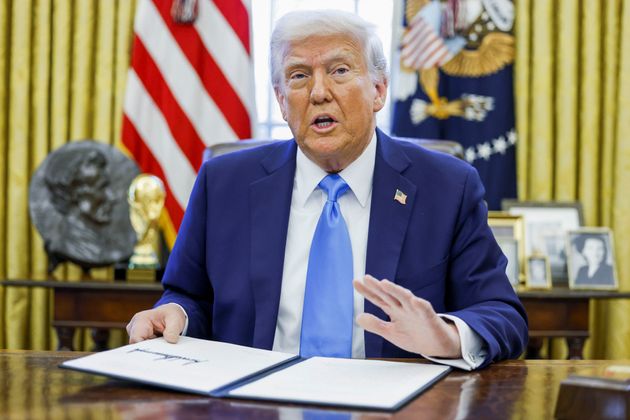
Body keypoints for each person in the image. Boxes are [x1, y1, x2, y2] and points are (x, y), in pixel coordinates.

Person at [126, 10, 528, 370]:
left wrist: (447, 336)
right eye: (299, 75)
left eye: (339, 70)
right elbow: (189, 297)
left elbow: (501, 314)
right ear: (282, 102)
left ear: (378, 89)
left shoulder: (447, 187)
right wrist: (173, 313)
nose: (319, 92)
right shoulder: (223, 183)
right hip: (253, 404)